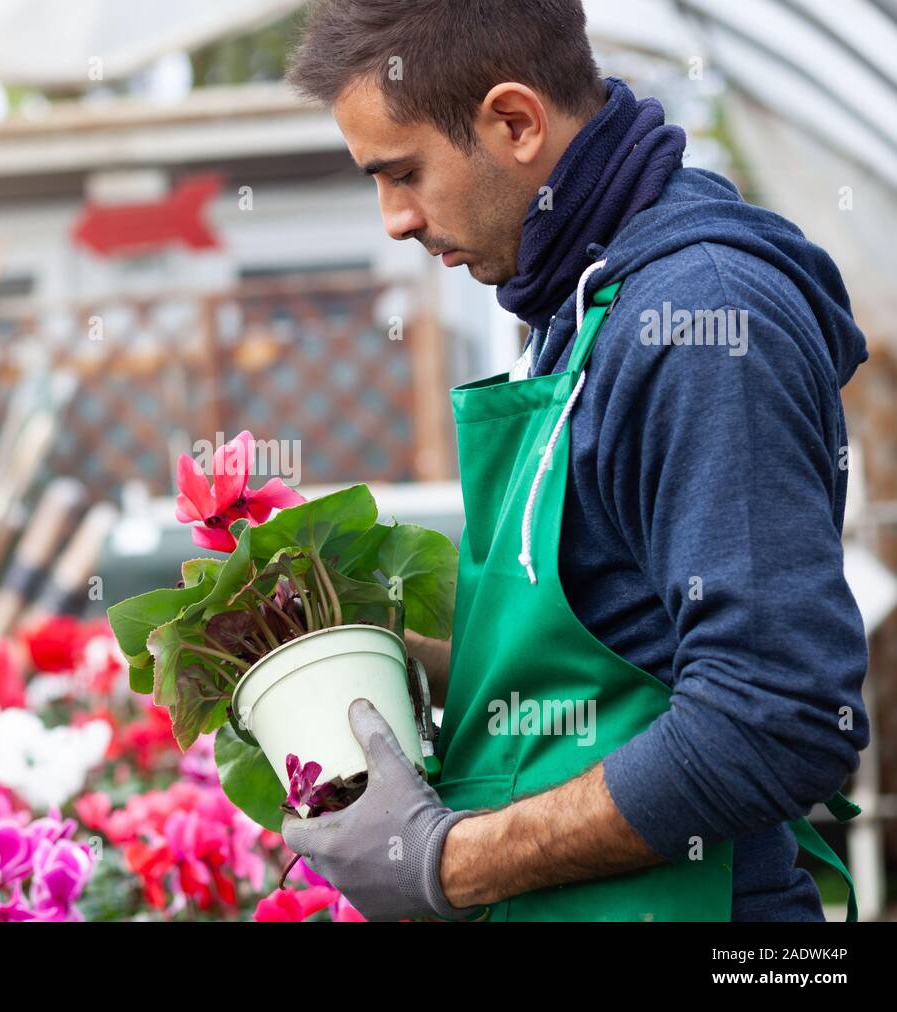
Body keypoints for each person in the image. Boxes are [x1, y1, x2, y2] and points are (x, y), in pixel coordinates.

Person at [279, 0, 869, 922]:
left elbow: (774, 717)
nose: (395, 219)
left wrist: (452, 863)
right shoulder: (584, 302)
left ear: (514, 122)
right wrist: (365, 660)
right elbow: (613, 657)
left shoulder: (702, 324)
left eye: (403, 174)